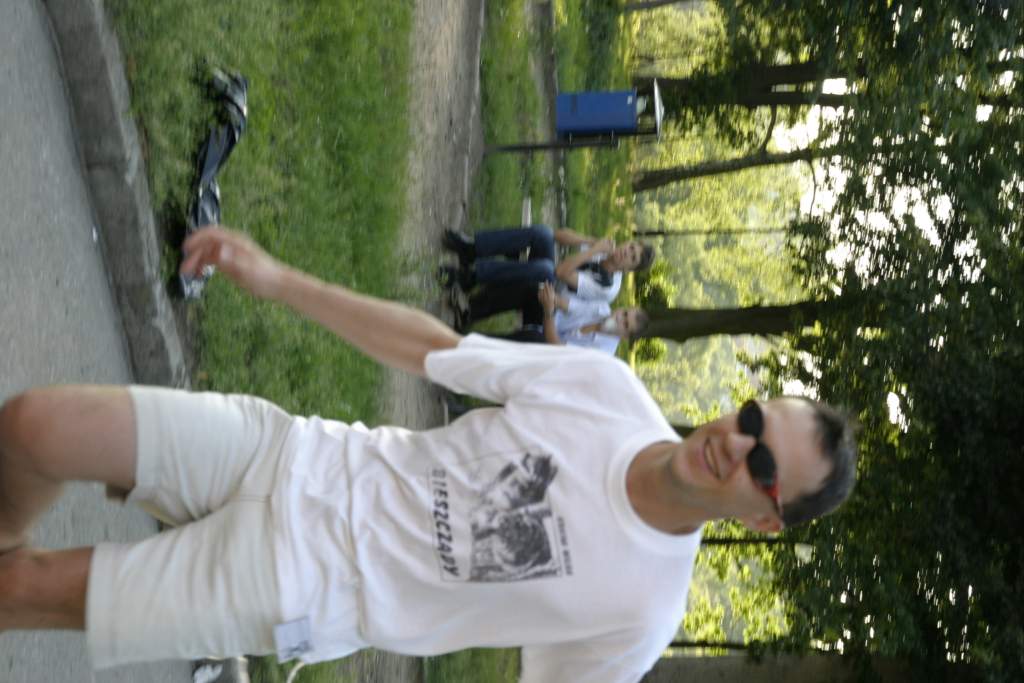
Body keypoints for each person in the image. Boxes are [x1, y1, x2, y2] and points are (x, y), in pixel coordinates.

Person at [0, 226, 857, 681]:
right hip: (294, 453)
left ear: (766, 519)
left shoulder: (642, 612)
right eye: (753, 417)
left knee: (20, 592)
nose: (736, 443)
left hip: (299, 586)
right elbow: (435, 350)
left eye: (764, 468)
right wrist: (281, 279)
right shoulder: (609, 391)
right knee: (35, 426)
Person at [439, 225, 655, 304]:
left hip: (549, 303)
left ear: (628, 269)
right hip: (549, 275)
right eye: (631, 247)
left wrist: (592, 251)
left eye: (632, 258)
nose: (626, 252)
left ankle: (470, 277)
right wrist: (590, 241)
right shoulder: (603, 249)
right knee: (542, 233)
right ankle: (472, 249)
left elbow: (560, 272)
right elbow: (558, 235)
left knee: (546, 269)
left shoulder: (608, 288)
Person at [486, 282, 648, 355]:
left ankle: (481, 343)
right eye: (624, 313)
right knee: (536, 292)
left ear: (625, 336)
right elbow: (567, 304)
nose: (620, 319)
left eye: (625, 324)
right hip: (549, 325)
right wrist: (550, 297)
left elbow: (555, 346)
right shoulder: (602, 308)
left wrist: (548, 312)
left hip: (548, 357)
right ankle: (475, 308)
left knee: (534, 338)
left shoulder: (602, 353)